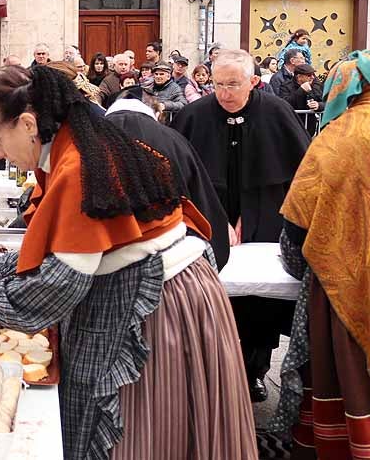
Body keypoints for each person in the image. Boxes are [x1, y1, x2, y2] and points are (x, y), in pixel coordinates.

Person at [0, 64, 256, 460]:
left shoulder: (78, 165)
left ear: (28, 123)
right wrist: (0, 277)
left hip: (160, 305)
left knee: (144, 433)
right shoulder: (74, 144)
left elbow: (58, 286)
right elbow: (61, 247)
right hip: (169, 288)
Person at [174, 48, 310, 402]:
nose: (224, 93)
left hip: (264, 218)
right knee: (212, 301)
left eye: (233, 84)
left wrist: (249, 219)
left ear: (253, 81)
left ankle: (254, 371)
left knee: (258, 305)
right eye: (218, 85)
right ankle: (210, 371)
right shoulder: (194, 115)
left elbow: (298, 175)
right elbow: (182, 180)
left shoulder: (276, 112)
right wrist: (218, 222)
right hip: (207, 219)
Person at [271, 49, 370, 458]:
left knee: (340, 368)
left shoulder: (337, 137)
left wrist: (298, 262)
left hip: (343, 277)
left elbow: (298, 216)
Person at [105, 97, 232, 270]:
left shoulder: (85, 141)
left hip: (105, 258)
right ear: (157, 114)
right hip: (173, 262)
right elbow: (201, 200)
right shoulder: (174, 140)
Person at [283, 63, 324, 135]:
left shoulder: (316, 85)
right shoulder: (286, 86)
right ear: (299, 77)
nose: (312, 77)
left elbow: (325, 101)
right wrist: (301, 90)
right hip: (292, 126)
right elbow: (285, 104)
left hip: (310, 127)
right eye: (309, 75)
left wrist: (318, 105)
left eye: (313, 74)